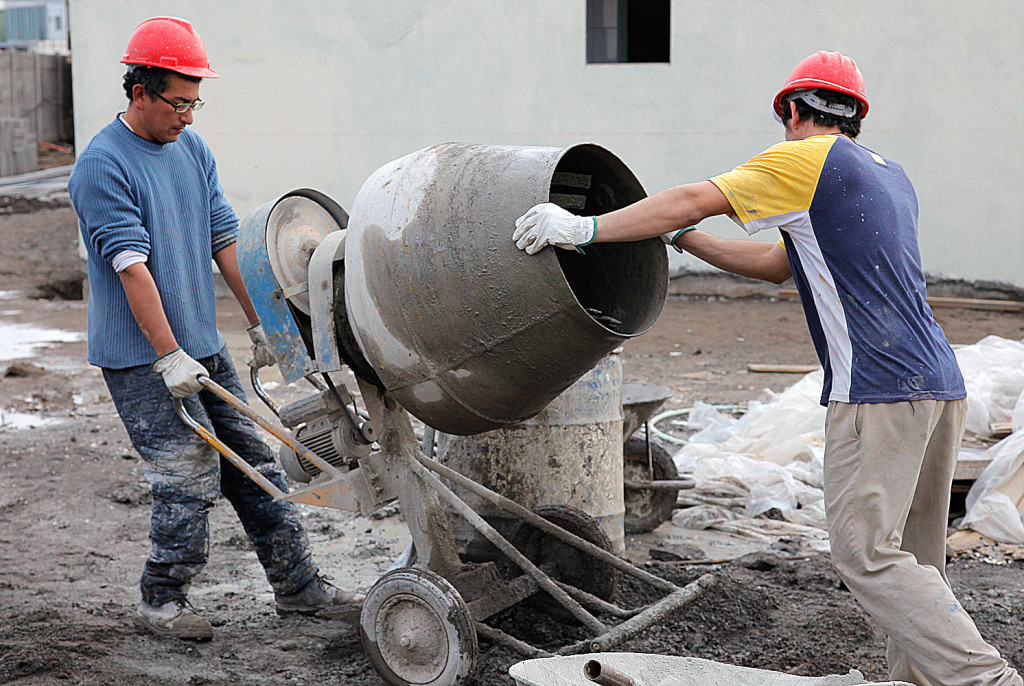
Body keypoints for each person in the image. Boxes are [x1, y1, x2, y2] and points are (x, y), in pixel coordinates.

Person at [513, 51, 1021, 686]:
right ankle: (921, 680)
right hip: (939, 384)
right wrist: (681, 239)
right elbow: (780, 265)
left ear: (793, 111)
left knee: (864, 553)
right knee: (913, 558)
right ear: (855, 116)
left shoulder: (802, 159)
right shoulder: (888, 175)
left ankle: (986, 679)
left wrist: (585, 227)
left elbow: (694, 196)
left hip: (879, 389)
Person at [68, 16, 362, 640]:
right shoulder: (101, 166)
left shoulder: (191, 150)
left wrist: (261, 324)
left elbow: (224, 240)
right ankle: (162, 598)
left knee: (258, 465)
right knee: (186, 477)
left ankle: (300, 587)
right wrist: (168, 355)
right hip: (144, 358)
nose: (190, 116)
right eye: (178, 102)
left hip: (201, 345)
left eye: (196, 101)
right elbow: (131, 268)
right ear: (140, 91)